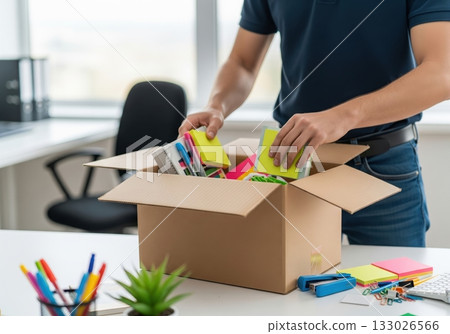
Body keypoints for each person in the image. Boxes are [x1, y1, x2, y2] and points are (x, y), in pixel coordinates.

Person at [178, 0, 450, 247]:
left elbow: (441, 73)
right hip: (291, 163)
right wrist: (217, 105)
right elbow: (242, 62)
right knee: (286, 292)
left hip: (383, 164)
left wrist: (343, 116)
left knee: (393, 292)